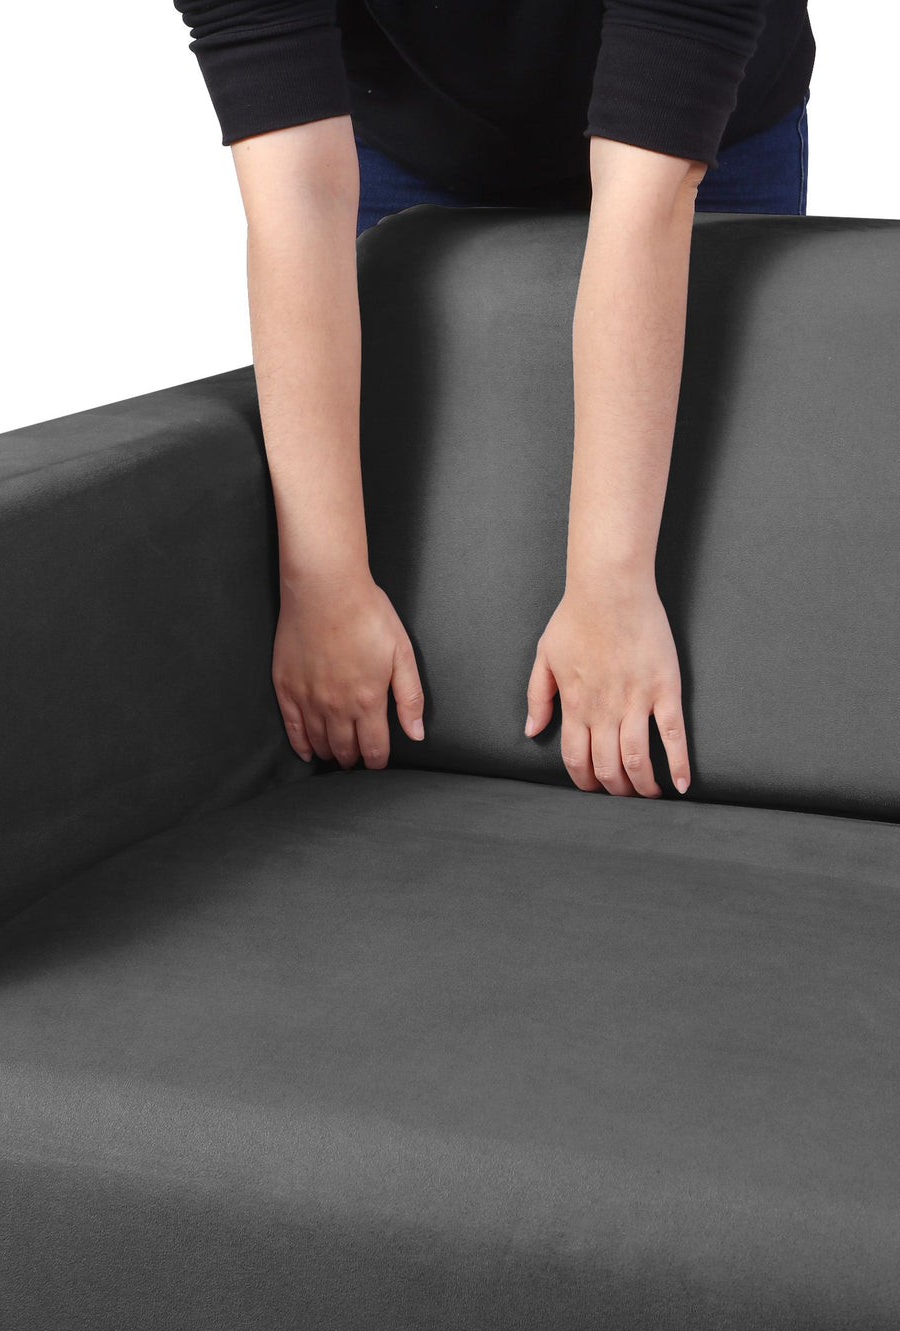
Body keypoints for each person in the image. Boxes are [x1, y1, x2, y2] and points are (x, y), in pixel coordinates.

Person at [173, 0, 814, 799]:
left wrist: (609, 590)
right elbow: (298, 191)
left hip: (706, 115)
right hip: (416, 128)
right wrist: (324, 587)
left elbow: (645, 196)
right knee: (425, 588)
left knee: (697, 583)